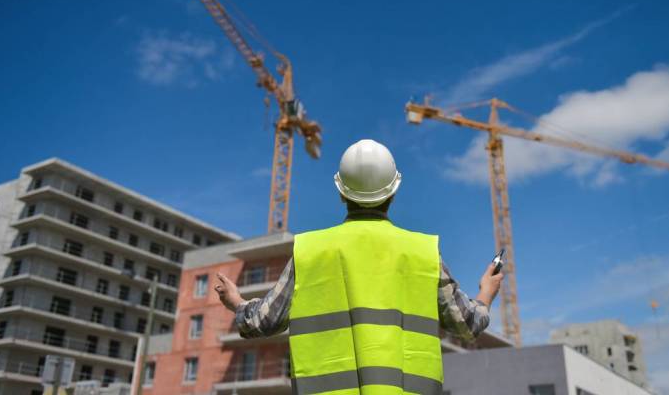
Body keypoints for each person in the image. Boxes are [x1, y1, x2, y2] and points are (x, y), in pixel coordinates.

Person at [215, 139, 503, 394]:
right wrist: (486, 292)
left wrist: (236, 302)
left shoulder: (310, 252)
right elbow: (468, 324)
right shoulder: (422, 253)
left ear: (342, 193)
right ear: (393, 193)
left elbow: (263, 321)